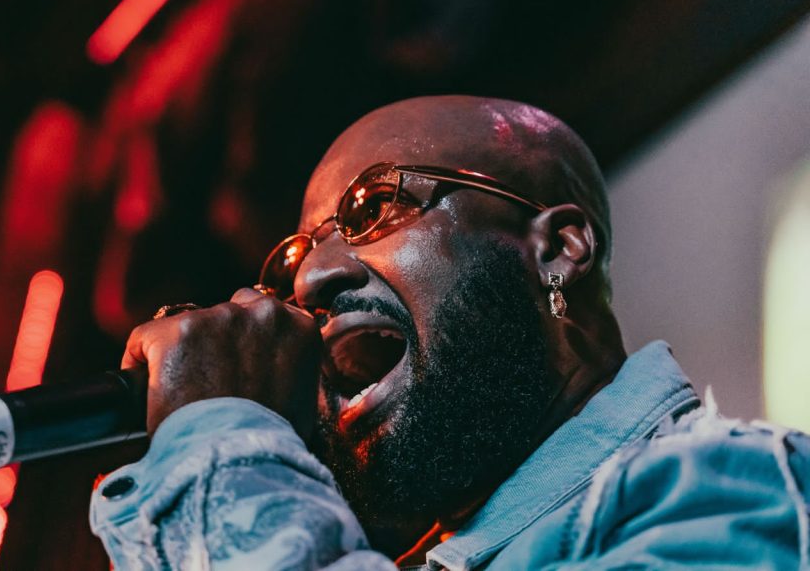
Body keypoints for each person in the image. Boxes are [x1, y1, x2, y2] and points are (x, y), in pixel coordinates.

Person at [89, 96, 810, 569]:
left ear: (558, 249)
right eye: (295, 257)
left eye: (373, 207)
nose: (310, 281)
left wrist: (222, 449)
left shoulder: (732, 492)